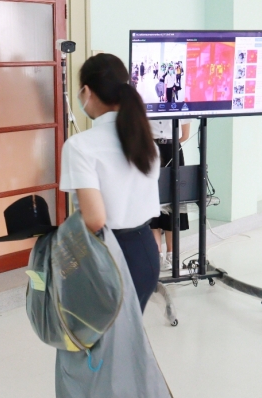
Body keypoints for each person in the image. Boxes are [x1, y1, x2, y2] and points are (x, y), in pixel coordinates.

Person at [61, 53, 161, 312]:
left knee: (97, 333)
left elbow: (94, 220)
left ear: (86, 91)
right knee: (130, 330)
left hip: (106, 254)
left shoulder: (80, 146)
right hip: (145, 251)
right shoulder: (146, 141)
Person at [149, 119, 190, 271]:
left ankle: (172, 254)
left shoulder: (181, 105)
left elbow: (185, 135)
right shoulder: (147, 105)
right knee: (152, 200)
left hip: (173, 150)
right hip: (151, 150)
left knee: (173, 202)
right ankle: (157, 254)